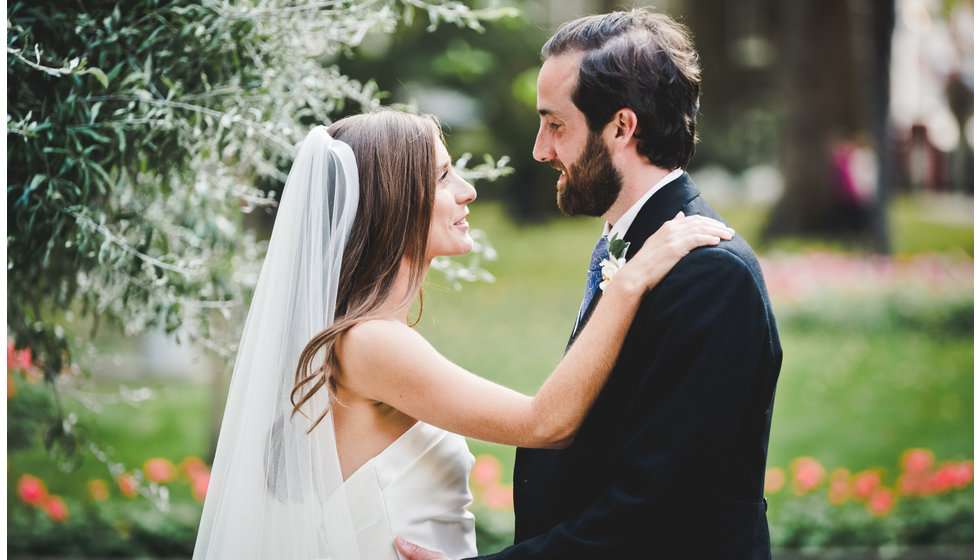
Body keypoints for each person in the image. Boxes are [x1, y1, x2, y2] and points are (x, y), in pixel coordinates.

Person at [193, 108, 733, 559]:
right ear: (394, 201)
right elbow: (544, 423)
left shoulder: (368, 336)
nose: (468, 191)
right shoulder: (371, 343)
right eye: (444, 176)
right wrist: (630, 279)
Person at [397, 8, 782, 560]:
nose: (539, 150)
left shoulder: (710, 276)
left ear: (622, 128)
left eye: (556, 125)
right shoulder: (631, 246)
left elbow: (661, 508)